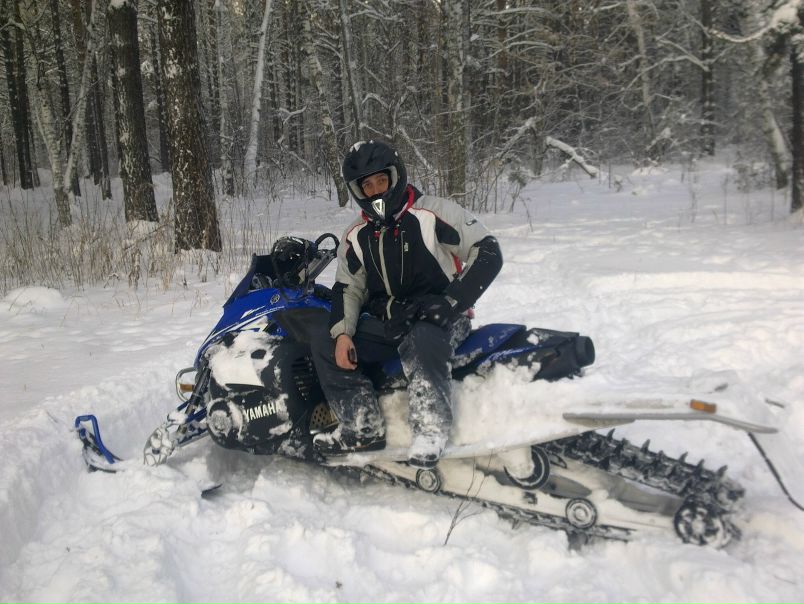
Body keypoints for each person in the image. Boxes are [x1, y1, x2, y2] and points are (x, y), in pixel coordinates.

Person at [309, 139, 503, 469]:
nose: (375, 191)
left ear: (395, 176)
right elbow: (348, 288)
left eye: (381, 181)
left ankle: (431, 429)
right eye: (367, 186)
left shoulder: (433, 212)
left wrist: (452, 302)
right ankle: (361, 426)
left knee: (422, 336)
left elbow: (487, 250)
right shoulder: (356, 235)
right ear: (358, 191)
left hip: (441, 318)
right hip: (389, 322)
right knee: (324, 340)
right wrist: (342, 335)